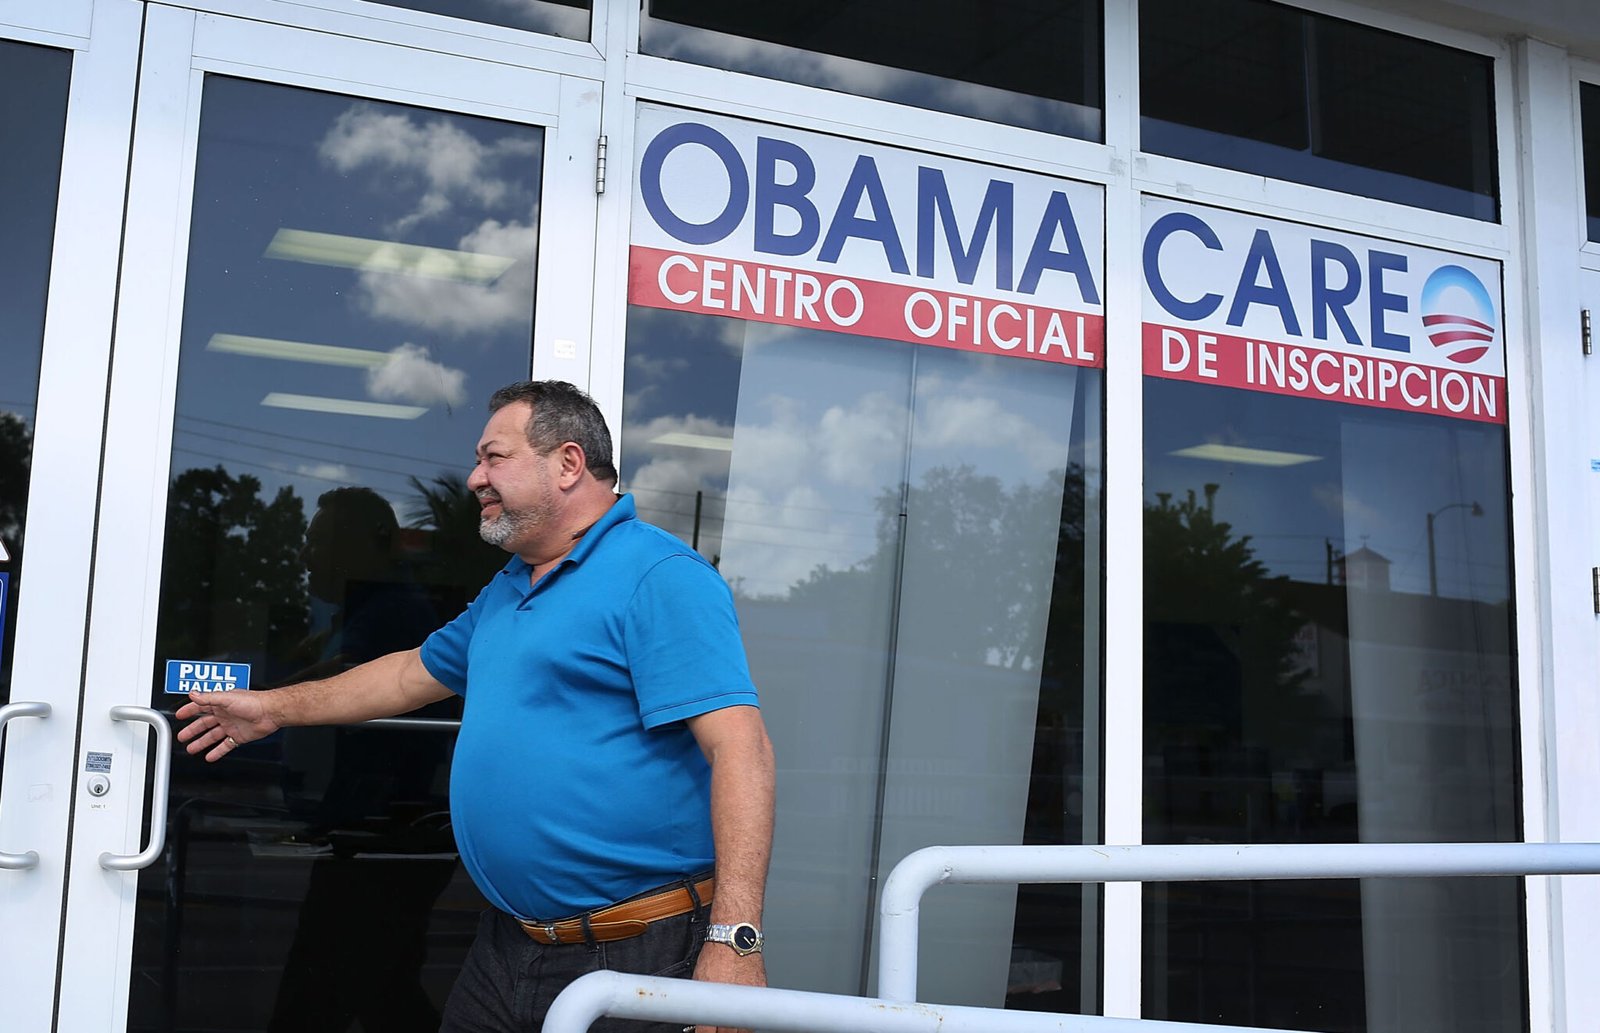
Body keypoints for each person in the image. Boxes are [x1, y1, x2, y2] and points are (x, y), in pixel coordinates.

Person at [177, 380, 775, 1033]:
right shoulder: (510, 586)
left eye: (494, 457)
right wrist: (272, 708)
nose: (473, 478)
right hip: (508, 945)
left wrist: (735, 942)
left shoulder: (658, 575)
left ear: (568, 463)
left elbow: (741, 748)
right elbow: (409, 673)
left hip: (634, 950)